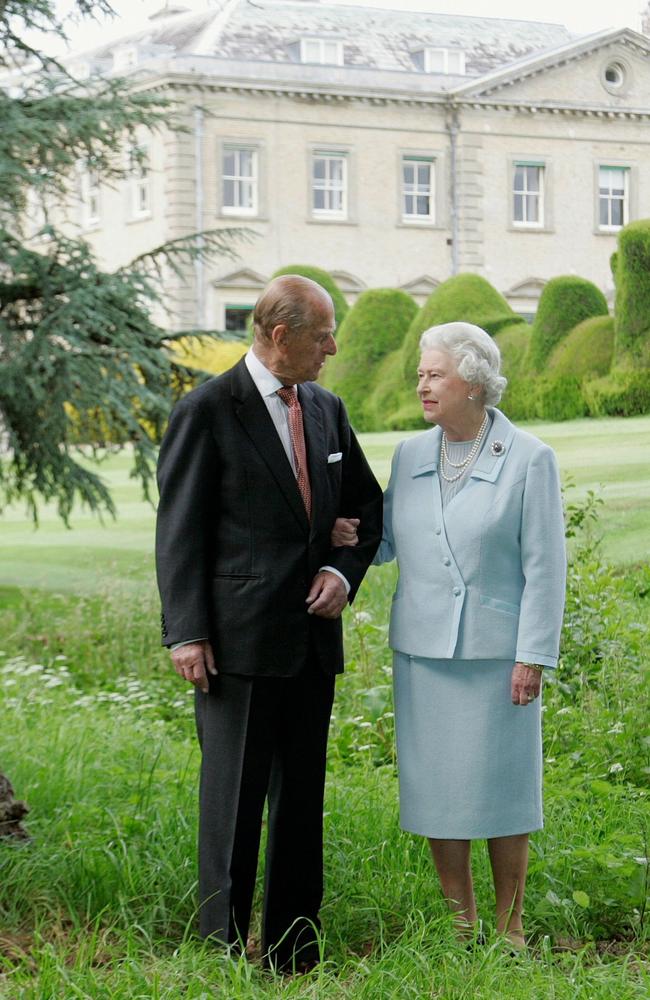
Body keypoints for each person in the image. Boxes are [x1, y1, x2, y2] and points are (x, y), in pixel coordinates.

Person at [155, 274, 382, 972]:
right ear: (279, 336)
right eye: (322, 336)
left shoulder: (326, 407)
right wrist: (186, 632)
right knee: (233, 807)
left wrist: (341, 569)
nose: (333, 347)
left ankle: (293, 954)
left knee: (300, 805)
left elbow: (365, 511)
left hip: (312, 644)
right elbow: (179, 531)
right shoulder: (207, 409)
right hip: (236, 645)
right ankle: (220, 955)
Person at [333, 322, 566, 950]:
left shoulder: (530, 458)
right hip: (424, 653)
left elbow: (546, 566)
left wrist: (533, 656)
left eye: (434, 373)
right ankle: (459, 926)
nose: (422, 384)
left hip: (498, 657)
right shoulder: (409, 454)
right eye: (420, 373)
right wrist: (348, 537)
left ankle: (510, 928)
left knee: (504, 791)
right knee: (438, 791)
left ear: (474, 382)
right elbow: (390, 542)